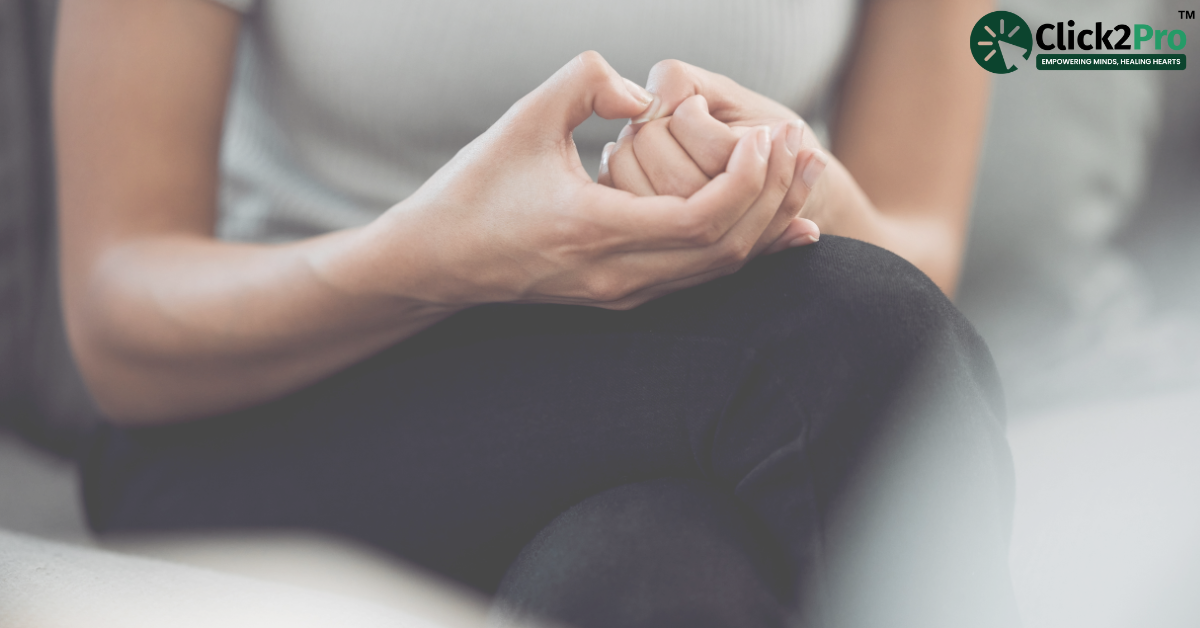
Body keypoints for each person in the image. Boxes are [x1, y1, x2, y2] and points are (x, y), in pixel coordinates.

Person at [55, 0, 1017, 626]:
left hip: (674, 384)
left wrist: (795, 183)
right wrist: (431, 259)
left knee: (650, 576)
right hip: (284, 401)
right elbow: (116, 322)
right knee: (847, 334)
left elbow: (919, 237)